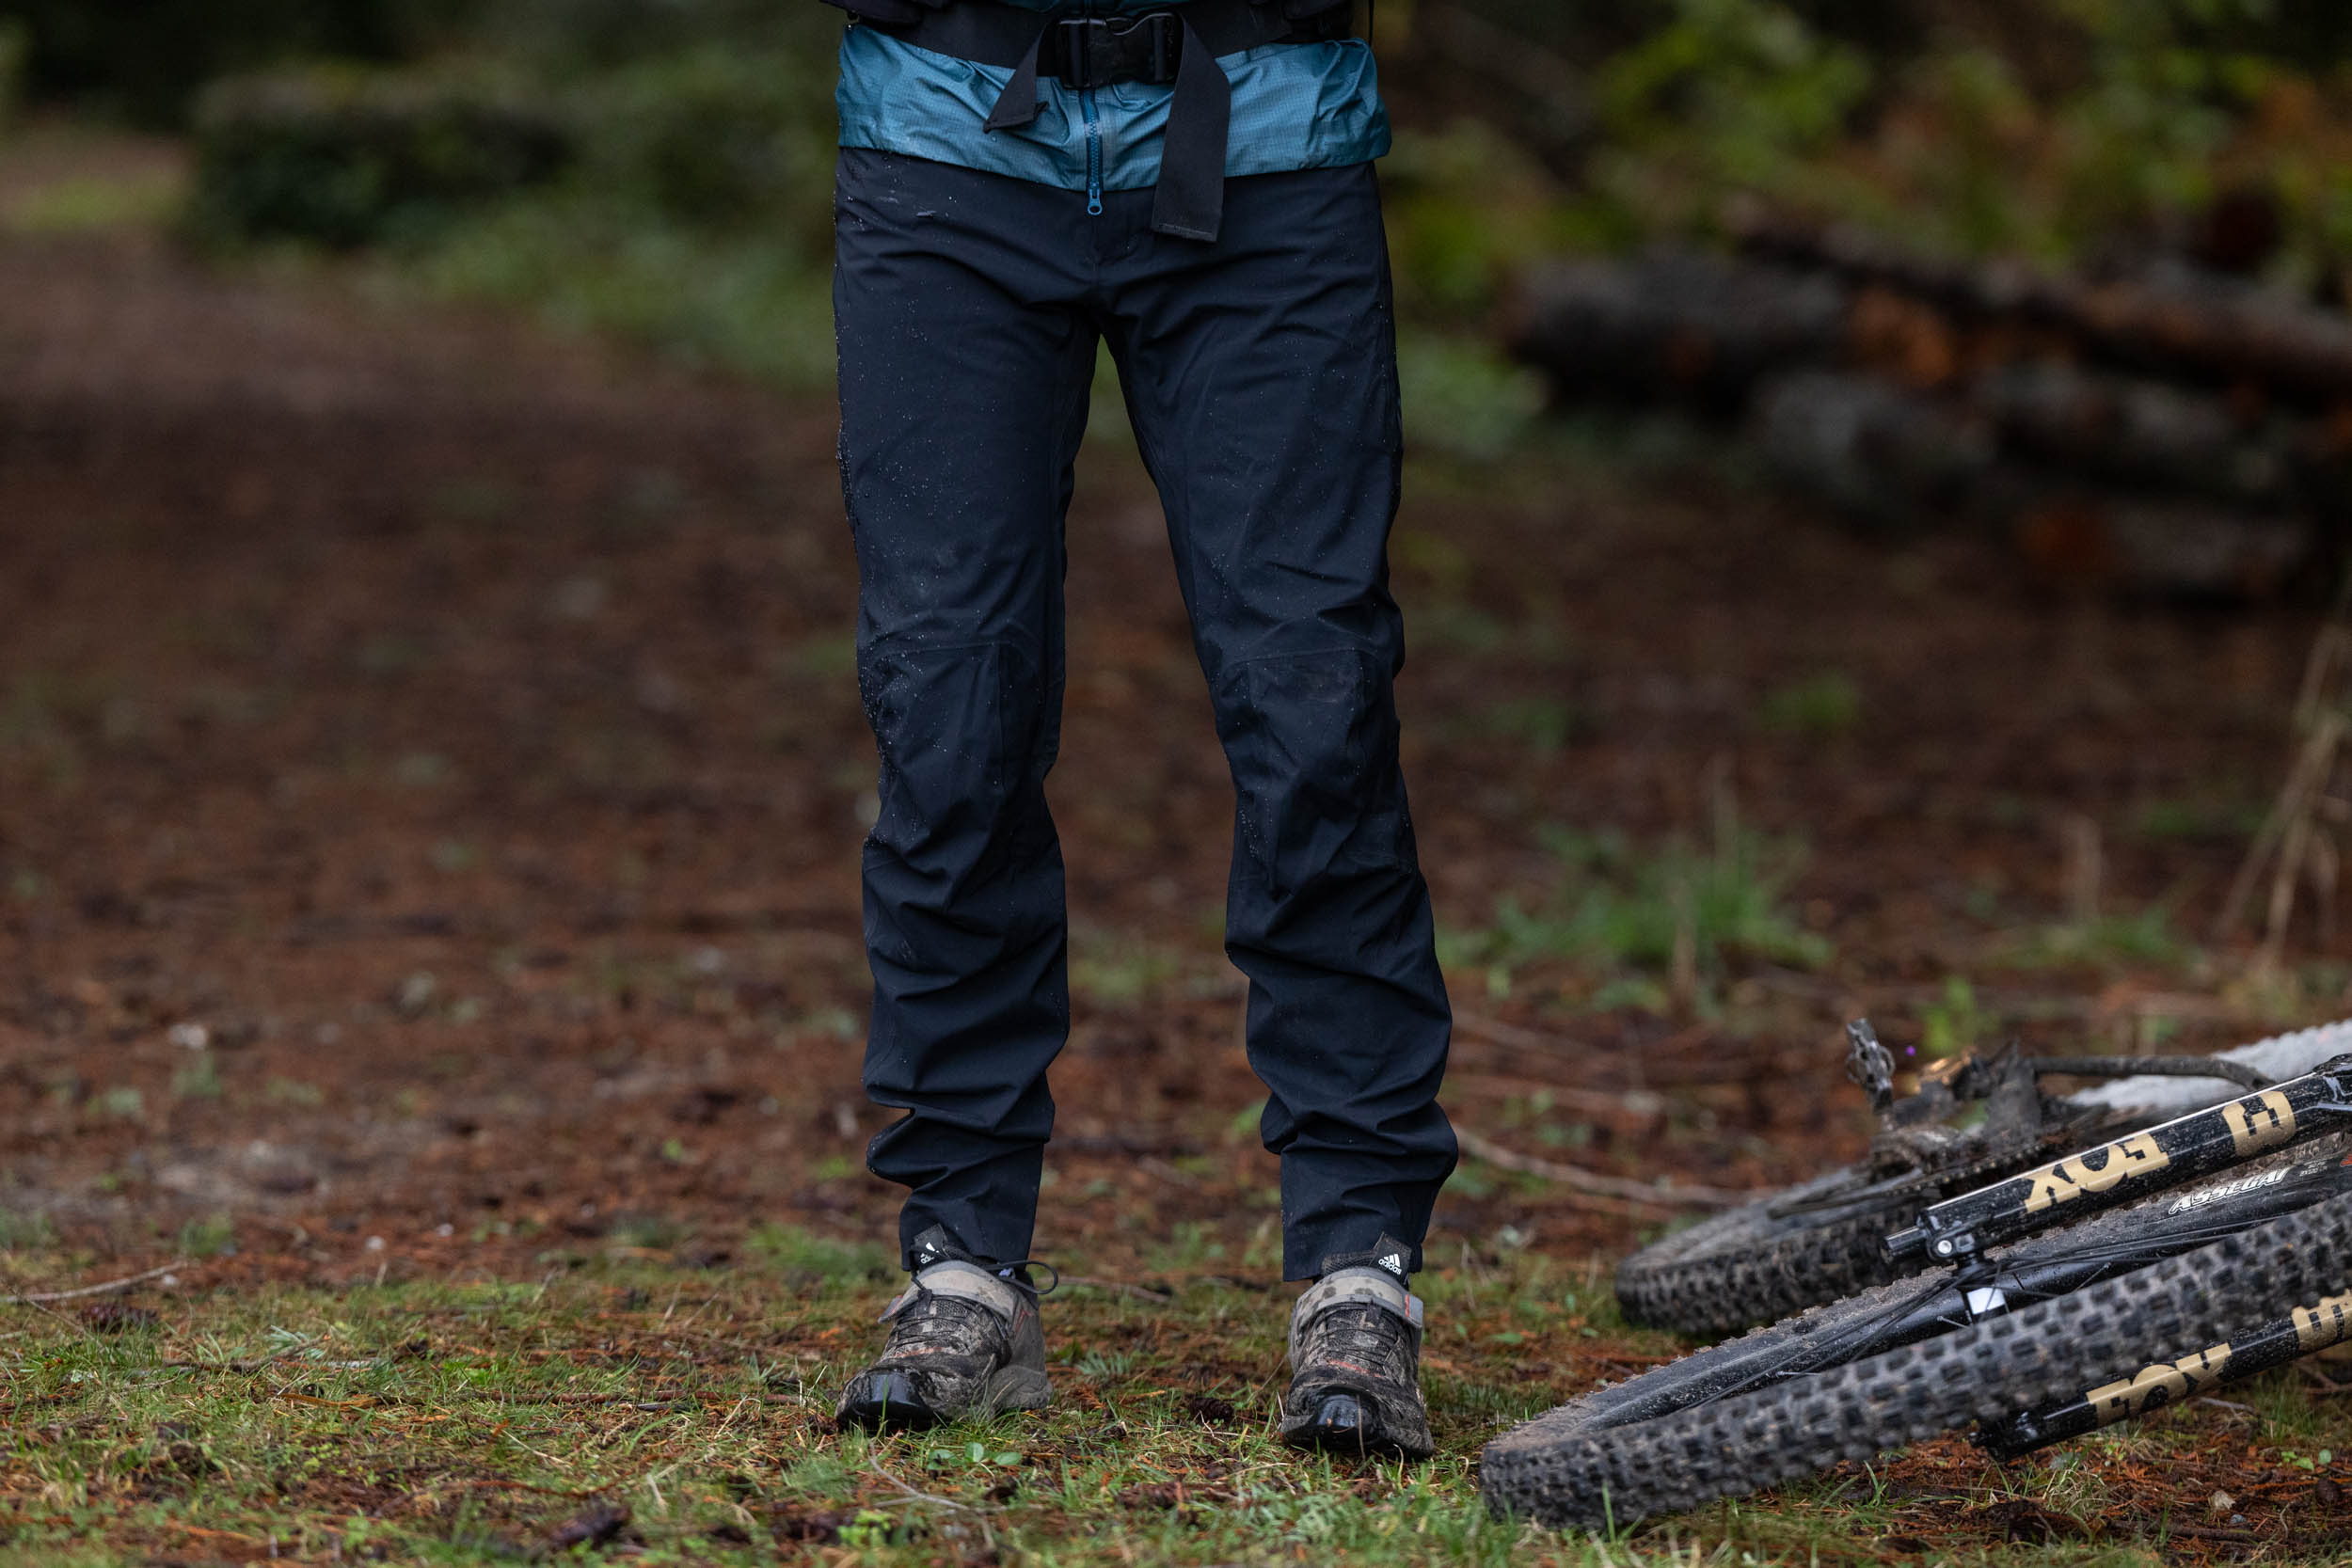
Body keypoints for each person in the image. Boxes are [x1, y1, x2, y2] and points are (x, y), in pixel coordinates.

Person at [818, 0, 1455, 1458]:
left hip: (1272, 134)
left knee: (1315, 699)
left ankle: (1360, 1264)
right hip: (945, 135)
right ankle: (964, 1262)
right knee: (948, 704)